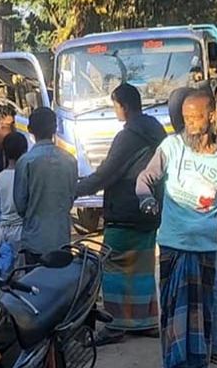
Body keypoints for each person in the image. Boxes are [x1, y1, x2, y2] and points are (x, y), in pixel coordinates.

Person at [136, 91, 217, 368]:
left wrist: (215, 227)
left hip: (205, 249)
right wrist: (146, 198)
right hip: (172, 245)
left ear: (212, 116)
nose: (191, 124)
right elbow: (145, 179)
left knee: (200, 318)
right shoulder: (170, 147)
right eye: (186, 119)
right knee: (172, 314)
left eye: (196, 117)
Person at [76, 84, 166, 346]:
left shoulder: (128, 136)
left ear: (124, 107)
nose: (115, 110)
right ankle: (145, 322)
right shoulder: (156, 131)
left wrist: (76, 189)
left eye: (115, 105)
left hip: (125, 210)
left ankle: (115, 324)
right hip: (150, 211)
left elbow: (107, 173)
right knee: (142, 268)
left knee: (114, 267)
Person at [15, 107, 78, 264]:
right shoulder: (70, 160)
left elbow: (20, 204)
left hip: (34, 240)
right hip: (61, 239)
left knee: (34, 285)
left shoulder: (25, 161)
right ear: (55, 129)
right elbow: (71, 198)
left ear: (30, 130)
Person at [0, 131, 29, 249]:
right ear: (25, 152)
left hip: (2, 231)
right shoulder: (27, 177)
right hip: (22, 230)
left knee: (4, 266)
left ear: (4, 153)